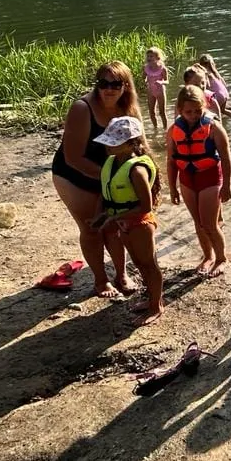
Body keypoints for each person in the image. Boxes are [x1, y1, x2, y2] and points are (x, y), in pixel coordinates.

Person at [51, 60, 140, 298]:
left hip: (109, 173)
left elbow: (139, 143)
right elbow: (73, 157)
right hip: (73, 174)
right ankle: (101, 280)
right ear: (97, 84)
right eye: (103, 83)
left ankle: (121, 275)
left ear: (125, 86)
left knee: (114, 226)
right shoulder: (82, 108)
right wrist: (110, 178)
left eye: (115, 84)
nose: (109, 89)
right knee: (92, 227)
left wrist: (147, 174)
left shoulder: (128, 105)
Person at [91, 117, 163, 327]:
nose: (108, 146)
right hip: (124, 223)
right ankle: (151, 298)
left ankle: (156, 306)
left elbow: (146, 206)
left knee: (149, 264)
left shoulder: (137, 170)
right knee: (139, 263)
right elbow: (104, 193)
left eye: (114, 142)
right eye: (108, 141)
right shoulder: (112, 163)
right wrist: (99, 215)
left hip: (140, 224)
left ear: (132, 144)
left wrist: (114, 218)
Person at [167, 85, 231, 277]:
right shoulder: (173, 130)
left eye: (198, 111)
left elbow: (226, 158)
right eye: (188, 112)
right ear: (180, 110)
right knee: (198, 222)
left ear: (204, 106)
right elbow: (171, 161)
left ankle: (221, 258)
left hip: (210, 178)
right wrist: (172, 188)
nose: (194, 115)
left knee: (210, 224)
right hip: (187, 179)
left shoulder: (214, 127)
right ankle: (207, 256)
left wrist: (227, 185)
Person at [143, 47, 169, 132]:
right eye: (148, 56)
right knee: (151, 112)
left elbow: (167, 81)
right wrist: (145, 81)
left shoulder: (163, 69)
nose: (149, 58)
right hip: (150, 91)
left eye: (151, 56)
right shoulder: (146, 68)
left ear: (157, 58)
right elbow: (143, 78)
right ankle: (155, 128)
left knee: (162, 112)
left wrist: (161, 82)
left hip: (160, 91)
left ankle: (165, 129)